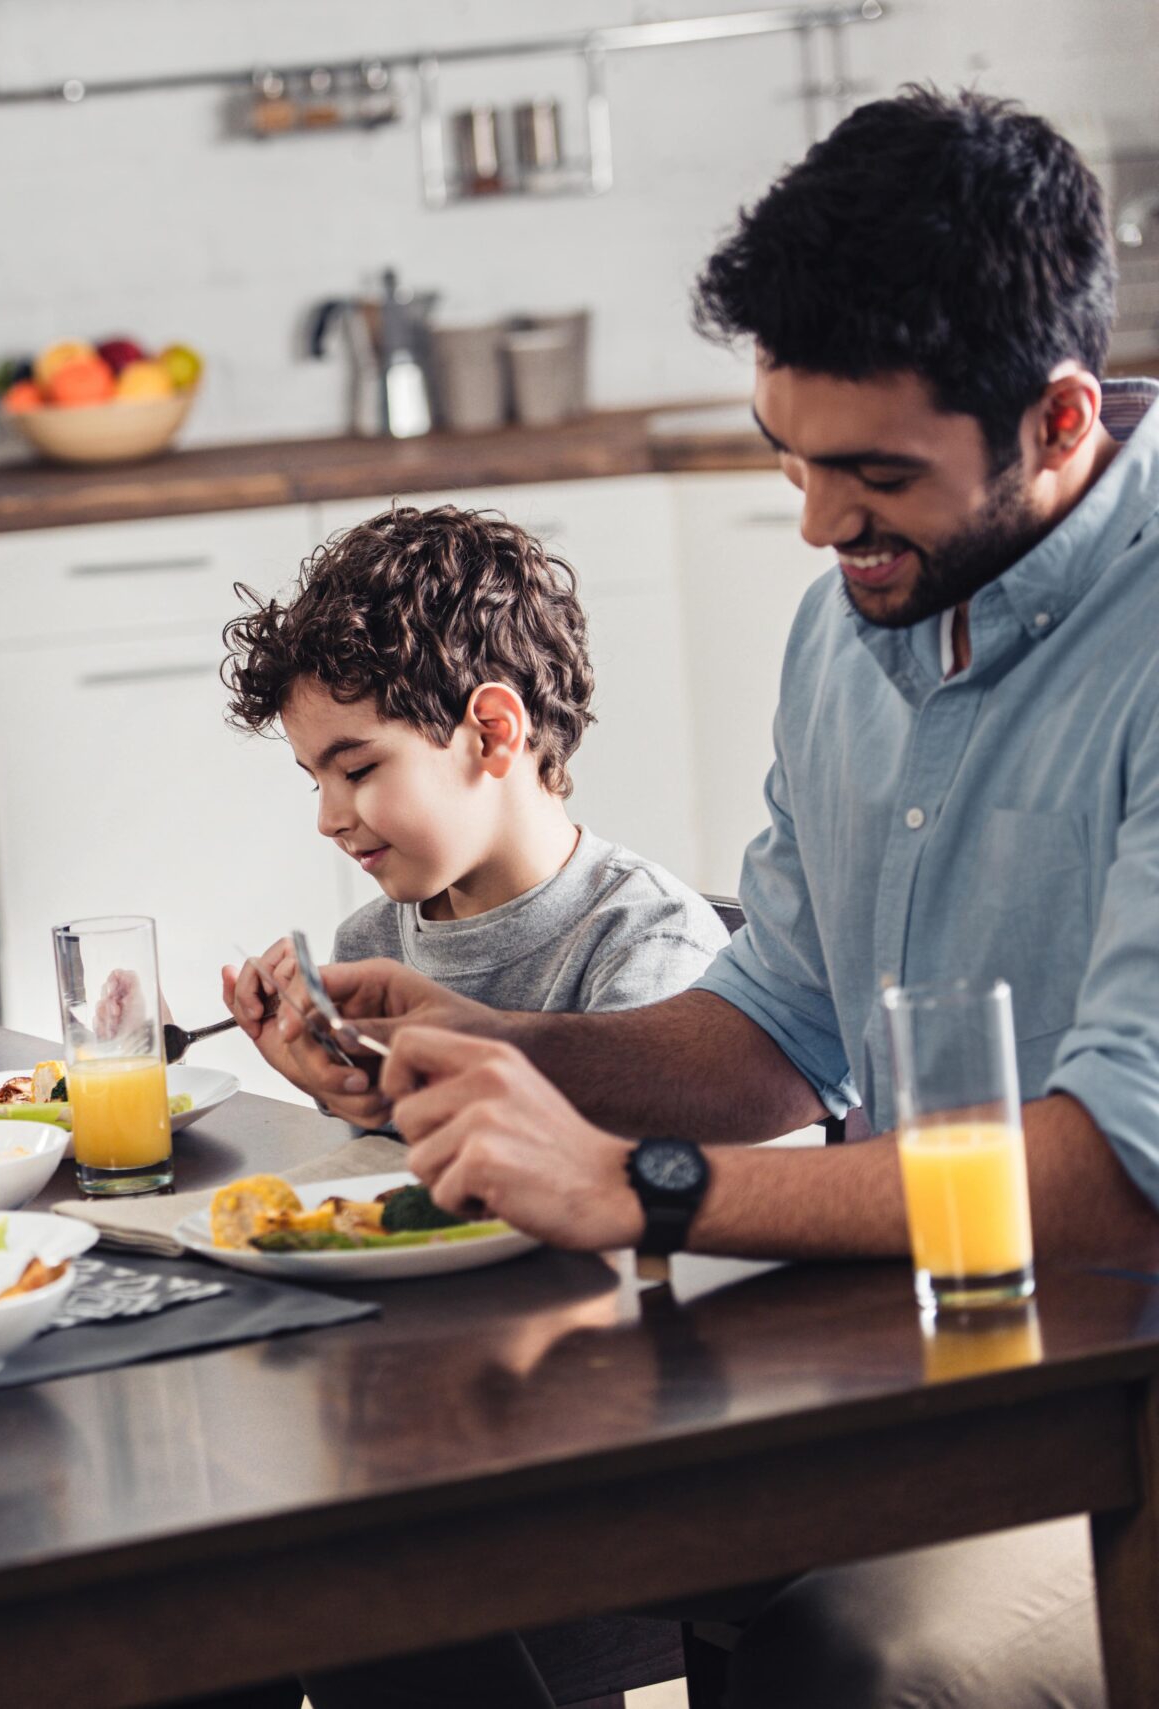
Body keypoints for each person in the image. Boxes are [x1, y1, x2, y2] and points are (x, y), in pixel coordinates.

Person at [239, 88, 1159, 1707]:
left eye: (872, 471)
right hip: (927, 1332)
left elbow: (1118, 1169)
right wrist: (489, 1042)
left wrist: (646, 1184)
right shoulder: (848, 627)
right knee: (413, 1545)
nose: (818, 525)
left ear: (1062, 423)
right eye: (787, 458)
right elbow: (782, 1023)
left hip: (1122, 1374)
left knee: (861, 1660)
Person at [220, 503, 724, 1039]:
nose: (328, 820)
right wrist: (323, 1059)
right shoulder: (368, 948)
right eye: (315, 782)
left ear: (491, 734)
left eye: (358, 770)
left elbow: (612, 1123)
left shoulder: (648, 945)